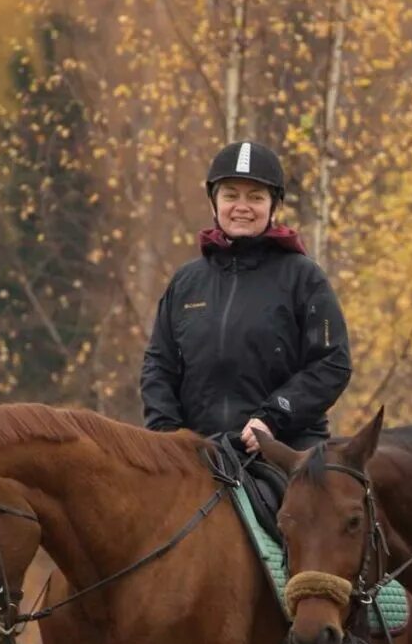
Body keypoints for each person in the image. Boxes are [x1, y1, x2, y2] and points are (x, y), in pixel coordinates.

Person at [139, 139, 352, 454]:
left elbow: (333, 362)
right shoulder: (186, 282)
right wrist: (168, 435)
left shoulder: (303, 277)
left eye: (255, 197)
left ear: (274, 206)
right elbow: (158, 365)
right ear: (214, 203)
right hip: (199, 455)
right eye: (230, 195)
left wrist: (273, 418)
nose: (242, 206)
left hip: (284, 448)